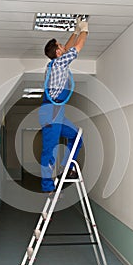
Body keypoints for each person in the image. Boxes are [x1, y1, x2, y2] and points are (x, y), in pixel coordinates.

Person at [39, 18, 89, 194]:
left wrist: (74, 32)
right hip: (51, 112)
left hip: (56, 111)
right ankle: (47, 187)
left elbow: (66, 49)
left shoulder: (54, 63)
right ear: (58, 52)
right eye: (60, 46)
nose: (63, 47)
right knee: (49, 151)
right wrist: (84, 29)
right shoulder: (59, 63)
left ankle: (67, 167)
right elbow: (77, 48)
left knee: (76, 137)